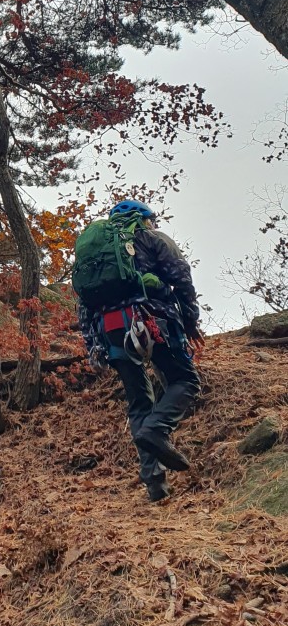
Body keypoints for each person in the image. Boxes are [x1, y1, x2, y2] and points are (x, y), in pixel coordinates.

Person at [75, 200, 204, 503]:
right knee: (185, 382)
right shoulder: (152, 238)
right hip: (151, 321)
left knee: (138, 403)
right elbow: (182, 278)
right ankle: (157, 431)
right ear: (146, 219)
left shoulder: (97, 253)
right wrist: (189, 320)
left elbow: (83, 304)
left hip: (113, 330)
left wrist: (94, 343)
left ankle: (154, 484)